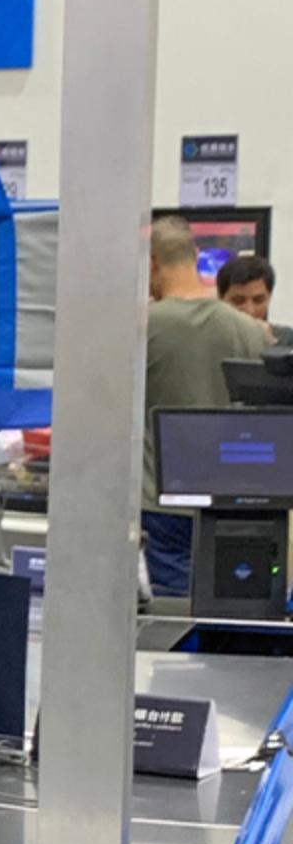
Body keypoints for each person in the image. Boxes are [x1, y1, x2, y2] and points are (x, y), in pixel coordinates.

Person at [143, 217, 270, 595]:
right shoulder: (250, 331)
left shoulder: (139, 328)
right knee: (229, 606)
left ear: (151, 263)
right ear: (195, 256)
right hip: (233, 501)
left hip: (162, 504)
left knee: (173, 614)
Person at [215, 253, 293, 347]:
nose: (249, 310)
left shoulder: (286, 339)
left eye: (258, 300)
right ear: (220, 298)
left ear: (269, 298)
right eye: (239, 301)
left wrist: (270, 344)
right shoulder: (205, 339)